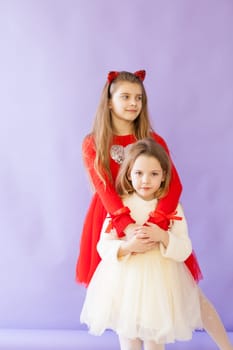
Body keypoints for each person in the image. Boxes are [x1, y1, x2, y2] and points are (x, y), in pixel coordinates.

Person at [77, 70, 233, 350]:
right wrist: (126, 229)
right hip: (112, 218)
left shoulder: (153, 140)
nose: (133, 103)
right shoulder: (94, 143)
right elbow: (105, 190)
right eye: (125, 96)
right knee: (121, 293)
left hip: (156, 217)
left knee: (184, 291)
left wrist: (158, 222)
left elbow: (174, 186)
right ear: (109, 101)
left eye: (139, 98)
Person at [80, 138, 203, 350]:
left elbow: (184, 249)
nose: (145, 180)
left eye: (154, 174)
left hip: (160, 286)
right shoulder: (122, 207)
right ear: (129, 174)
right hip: (124, 284)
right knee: (128, 339)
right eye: (139, 173)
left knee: (155, 340)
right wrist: (127, 247)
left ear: (164, 176)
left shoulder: (171, 209)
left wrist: (163, 237)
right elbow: (103, 245)